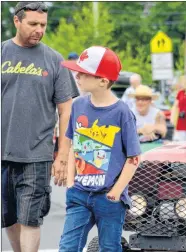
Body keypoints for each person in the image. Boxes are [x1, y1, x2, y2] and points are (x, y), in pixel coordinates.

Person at [1, 2, 80, 252]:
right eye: (33, 24)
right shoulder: (1, 54)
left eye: (43, 25)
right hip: (2, 152)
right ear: (17, 21)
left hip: (37, 154)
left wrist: (63, 155)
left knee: (31, 217)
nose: (39, 29)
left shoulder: (54, 60)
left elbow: (66, 110)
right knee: (8, 217)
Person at [58, 46, 142, 251]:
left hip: (109, 197)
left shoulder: (122, 113)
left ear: (103, 81)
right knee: (68, 247)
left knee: (109, 247)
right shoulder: (78, 105)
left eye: (84, 73)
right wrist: (70, 182)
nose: (77, 75)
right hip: (79, 193)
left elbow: (133, 158)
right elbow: (73, 145)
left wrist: (116, 192)